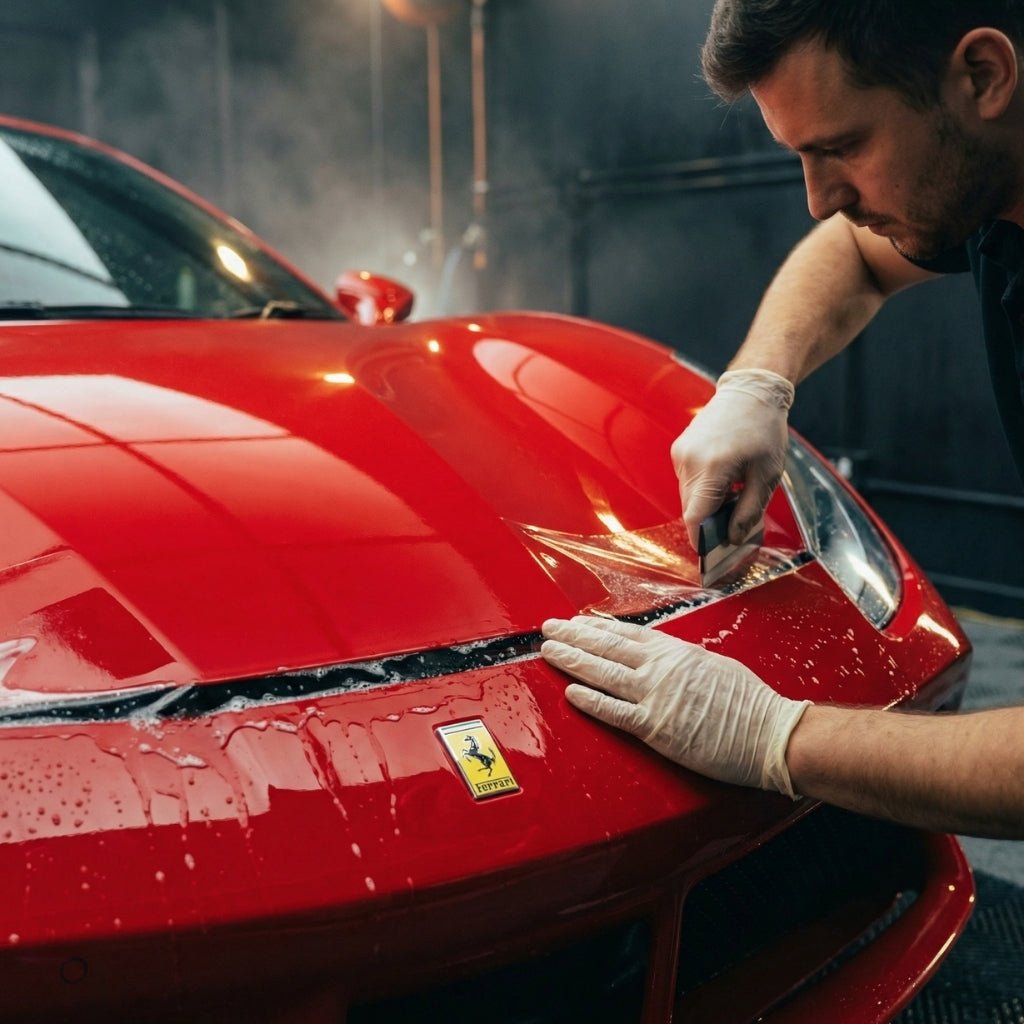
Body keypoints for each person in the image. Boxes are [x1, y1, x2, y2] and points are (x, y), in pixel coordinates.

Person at [540, 0, 1024, 839]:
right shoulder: (987, 189)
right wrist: (755, 386)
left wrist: (775, 735)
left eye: (841, 148)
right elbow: (852, 257)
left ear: (983, 76)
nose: (818, 197)